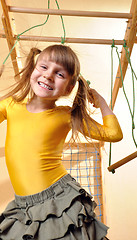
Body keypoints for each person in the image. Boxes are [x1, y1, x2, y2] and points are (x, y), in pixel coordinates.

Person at [0, 44, 123, 240]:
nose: (48, 75)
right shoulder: (10, 105)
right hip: (23, 206)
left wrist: (101, 102)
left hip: (58, 200)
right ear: (33, 69)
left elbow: (114, 134)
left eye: (60, 74)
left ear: (69, 88)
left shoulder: (67, 116)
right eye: (44, 67)